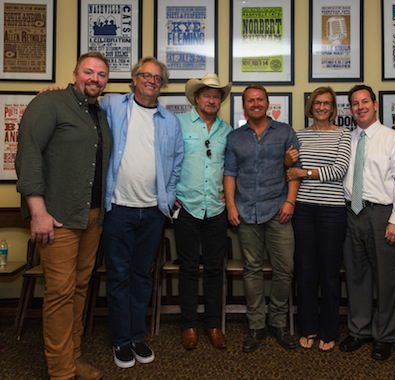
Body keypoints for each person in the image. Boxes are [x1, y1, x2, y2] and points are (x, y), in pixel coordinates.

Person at [15, 51, 111, 380]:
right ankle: (60, 371)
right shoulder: (49, 104)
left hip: (92, 217)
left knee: (81, 288)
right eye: (89, 72)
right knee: (60, 292)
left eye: (101, 74)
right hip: (57, 217)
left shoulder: (99, 113)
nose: (94, 79)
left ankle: (74, 358)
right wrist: (37, 211)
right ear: (75, 73)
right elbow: (28, 155)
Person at [100, 57, 184, 368]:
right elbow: (81, 98)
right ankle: (121, 341)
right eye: (145, 75)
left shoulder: (169, 121)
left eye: (157, 77)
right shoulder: (112, 106)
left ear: (162, 84)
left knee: (142, 277)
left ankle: (137, 336)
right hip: (118, 209)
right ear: (134, 79)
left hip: (152, 212)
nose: (151, 81)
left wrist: (169, 195)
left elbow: (176, 163)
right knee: (119, 276)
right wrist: (52, 93)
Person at [339, 85, 395, 361]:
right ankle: (359, 330)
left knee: (386, 278)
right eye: (354, 104)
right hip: (352, 214)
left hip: (383, 215)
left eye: (364, 102)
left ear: (374, 105)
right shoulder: (347, 140)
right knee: (356, 276)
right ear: (350, 109)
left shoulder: (392, 140)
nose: (359, 107)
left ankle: (384, 336)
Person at [224, 84, 301, 353]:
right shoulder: (235, 138)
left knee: (285, 269)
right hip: (246, 212)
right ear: (244, 106)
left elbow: (295, 170)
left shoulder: (285, 132)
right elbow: (230, 173)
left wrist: (290, 201)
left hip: (279, 210)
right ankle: (256, 325)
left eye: (260, 99)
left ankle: (278, 322)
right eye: (250, 101)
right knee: (252, 269)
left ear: (268, 104)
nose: (255, 104)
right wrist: (231, 206)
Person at [284, 86, 351, 352]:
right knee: (305, 270)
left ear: (333, 108)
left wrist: (304, 173)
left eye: (327, 103)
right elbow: (289, 171)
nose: (321, 107)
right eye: (317, 103)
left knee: (330, 273)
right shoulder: (298, 135)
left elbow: (338, 170)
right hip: (303, 209)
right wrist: (289, 164)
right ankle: (309, 327)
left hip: (332, 211)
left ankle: (330, 329)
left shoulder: (343, 134)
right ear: (310, 107)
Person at [174, 73, 232, 350]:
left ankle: (212, 324)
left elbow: (235, 168)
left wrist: (233, 192)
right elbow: (166, 159)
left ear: (220, 100)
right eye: (207, 94)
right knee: (186, 269)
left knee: (213, 269)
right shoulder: (179, 124)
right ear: (196, 98)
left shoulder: (227, 131)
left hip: (216, 209)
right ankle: (188, 325)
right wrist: (169, 194)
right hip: (186, 206)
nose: (211, 99)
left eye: (216, 95)